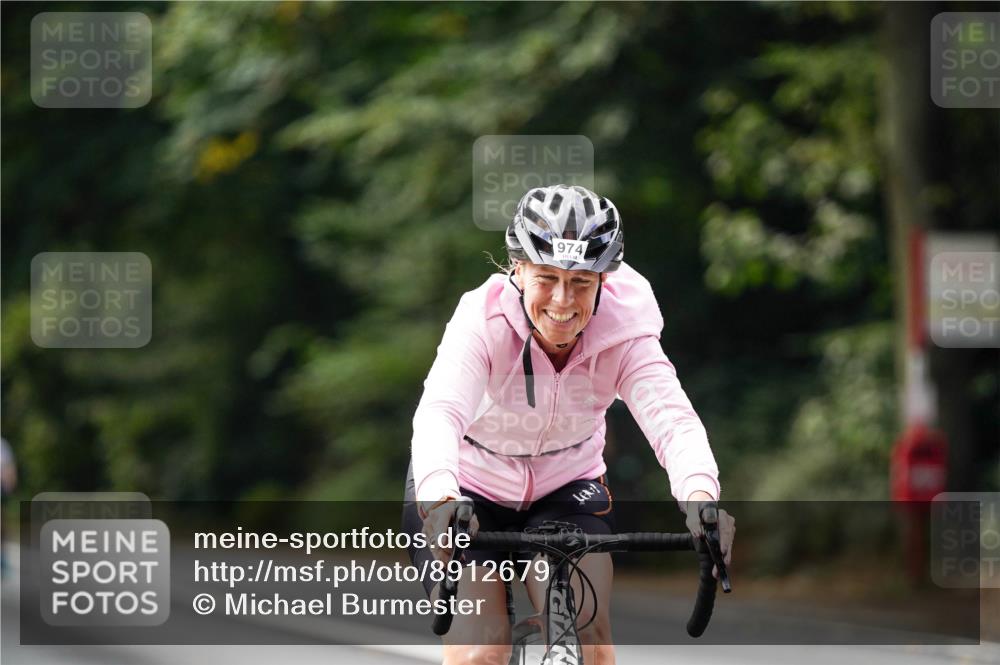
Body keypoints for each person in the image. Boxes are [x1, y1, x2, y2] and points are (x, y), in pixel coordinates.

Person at [402, 184, 735, 665]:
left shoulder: (626, 330)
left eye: (582, 282)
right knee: (481, 649)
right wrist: (439, 499)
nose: (563, 299)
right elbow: (440, 413)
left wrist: (700, 500)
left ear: (605, 281)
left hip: (567, 486)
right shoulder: (482, 319)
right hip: (467, 487)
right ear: (517, 269)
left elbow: (673, 423)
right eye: (547, 278)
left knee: (591, 640)